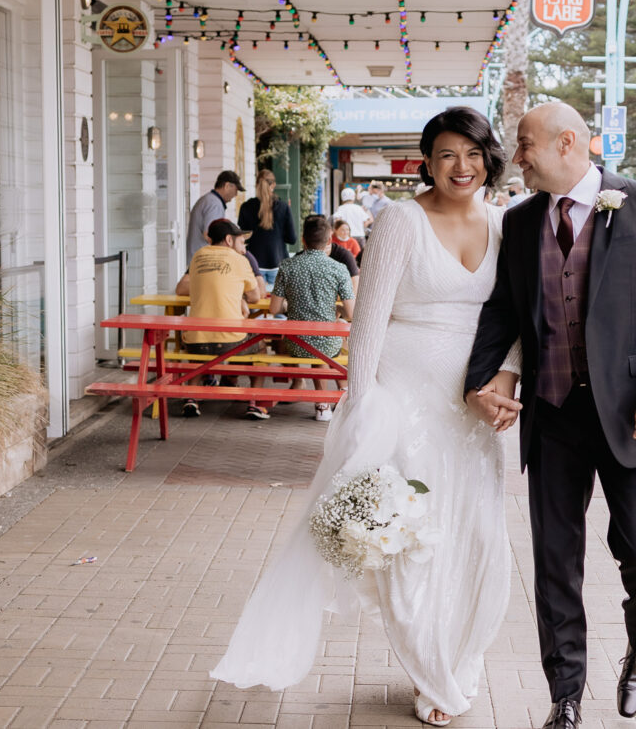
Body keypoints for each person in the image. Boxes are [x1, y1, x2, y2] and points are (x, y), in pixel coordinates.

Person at [211, 106, 518, 727]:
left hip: (474, 409)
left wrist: (503, 382)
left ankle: (461, 659)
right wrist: (361, 407)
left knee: (480, 542)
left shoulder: (504, 222)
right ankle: (432, 676)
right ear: (426, 163)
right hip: (404, 401)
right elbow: (369, 320)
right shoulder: (403, 220)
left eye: (474, 154)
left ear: (489, 159)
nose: (462, 167)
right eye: (447, 155)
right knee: (410, 545)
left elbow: (513, 317)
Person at [464, 102, 636, 729]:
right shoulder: (517, 223)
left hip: (632, 416)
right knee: (555, 563)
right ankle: (564, 694)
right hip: (553, 415)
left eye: (524, 144)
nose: (517, 156)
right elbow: (504, 314)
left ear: (566, 142)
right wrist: (476, 384)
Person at [175, 218, 269, 420]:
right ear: (229, 239)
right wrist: (241, 297)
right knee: (260, 344)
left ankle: (192, 396)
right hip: (230, 342)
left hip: (195, 343)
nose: (243, 247)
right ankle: (254, 401)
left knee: (200, 338)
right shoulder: (239, 261)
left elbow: (181, 289)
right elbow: (255, 296)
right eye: (241, 241)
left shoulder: (198, 256)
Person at [268, 215, 355, 422]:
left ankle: (326, 402)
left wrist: (291, 304)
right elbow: (351, 313)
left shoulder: (287, 266)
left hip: (295, 342)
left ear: (303, 241)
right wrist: (338, 311)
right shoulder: (338, 268)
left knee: (318, 341)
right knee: (335, 336)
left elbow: (274, 308)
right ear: (329, 242)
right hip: (327, 343)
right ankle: (330, 401)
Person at [238, 169, 297, 289]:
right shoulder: (283, 207)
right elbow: (292, 239)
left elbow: (243, 237)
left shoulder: (246, 207)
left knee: (255, 304)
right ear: (273, 185)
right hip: (278, 263)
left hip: (254, 265)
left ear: (256, 185)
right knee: (277, 306)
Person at [187, 170, 244, 265]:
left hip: (197, 259)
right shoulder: (214, 204)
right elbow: (210, 235)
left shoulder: (208, 199)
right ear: (227, 186)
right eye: (236, 189)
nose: (236, 194)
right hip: (204, 261)